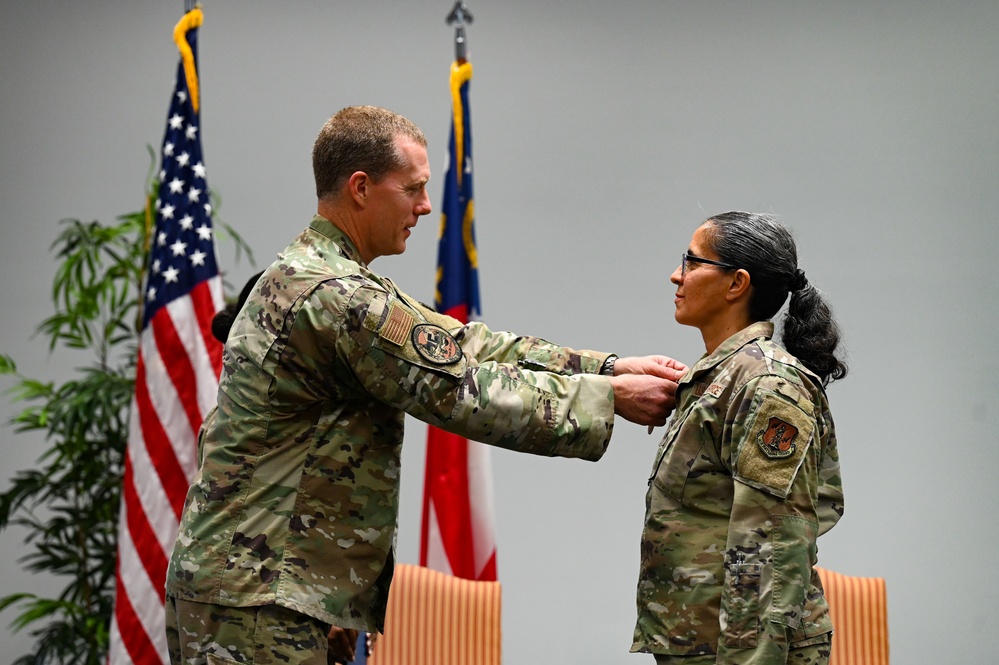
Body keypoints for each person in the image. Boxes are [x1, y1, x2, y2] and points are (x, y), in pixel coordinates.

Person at [165, 105, 686, 665]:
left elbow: (463, 346)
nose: (426, 206)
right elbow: (463, 390)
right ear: (361, 188)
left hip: (268, 588)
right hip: (259, 597)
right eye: (412, 188)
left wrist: (604, 367)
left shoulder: (321, 276)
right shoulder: (340, 300)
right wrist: (610, 398)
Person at [631, 211, 847, 664]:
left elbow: (769, 551)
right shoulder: (724, 377)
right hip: (705, 644)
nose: (676, 275)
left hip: (742, 651)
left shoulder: (766, 385)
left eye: (692, 261)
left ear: (736, 284)